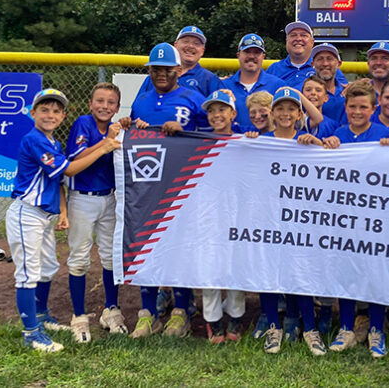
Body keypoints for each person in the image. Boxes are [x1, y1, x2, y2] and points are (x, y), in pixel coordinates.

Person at [5, 88, 120, 352]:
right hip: (27, 213)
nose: (50, 114)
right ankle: (31, 333)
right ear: (32, 113)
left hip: (44, 215)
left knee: (47, 267)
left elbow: (57, 181)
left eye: (56, 110)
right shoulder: (35, 140)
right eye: (44, 109)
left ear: (63, 115)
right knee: (28, 274)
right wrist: (104, 146)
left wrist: (64, 212)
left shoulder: (53, 142)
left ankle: (42, 316)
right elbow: (69, 169)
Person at [120, 42, 206, 339]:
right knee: (146, 242)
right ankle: (148, 314)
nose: (160, 74)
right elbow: (132, 138)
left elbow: (212, 135)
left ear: (178, 70)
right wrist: (135, 127)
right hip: (148, 184)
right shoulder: (142, 100)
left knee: (179, 245)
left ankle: (181, 310)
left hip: (183, 182)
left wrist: (182, 132)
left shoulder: (194, 98)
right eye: (155, 69)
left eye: (167, 69)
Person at [245, 88, 326, 356]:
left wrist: (317, 146)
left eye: (291, 109)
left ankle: (310, 329)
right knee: (268, 273)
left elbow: (330, 167)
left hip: (299, 220)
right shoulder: (261, 141)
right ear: (272, 112)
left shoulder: (307, 141)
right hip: (268, 217)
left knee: (299, 273)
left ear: (299, 114)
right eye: (280, 108)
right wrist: (249, 142)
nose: (285, 114)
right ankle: (273, 327)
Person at [322, 80, 389, 358]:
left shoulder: (382, 133)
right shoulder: (339, 134)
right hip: (344, 216)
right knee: (347, 272)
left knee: (373, 272)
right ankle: (347, 328)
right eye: (352, 106)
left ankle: (376, 329)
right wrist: (327, 146)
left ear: (373, 109)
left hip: (374, 215)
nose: (357, 111)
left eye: (363, 107)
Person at [66, 82, 126, 343]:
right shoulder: (84, 123)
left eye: (110, 102)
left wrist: (119, 135)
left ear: (116, 107)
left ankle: (111, 310)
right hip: (82, 198)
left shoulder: (117, 129)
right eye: (99, 101)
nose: (104, 106)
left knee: (111, 256)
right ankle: (79, 316)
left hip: (109, 198)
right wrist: (106, 142)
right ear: (91, 104)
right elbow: (75, 160)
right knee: (79, 258)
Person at [200, 90, 246, 343]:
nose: (217, 115)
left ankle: (236, 317)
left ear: (233, 113)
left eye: (222, 110)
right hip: (208, 215)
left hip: (237, 213)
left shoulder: (244, 141)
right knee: (210, 266)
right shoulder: (197, 141)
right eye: (212, 110)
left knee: (235, 264)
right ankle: (213, 320)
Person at [136, 25, 224, 97]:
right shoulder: (154, 77)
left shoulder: (210, 79)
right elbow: (139, 107)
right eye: (186, 41)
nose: (190, 46)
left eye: (196, 43)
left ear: (202, 50)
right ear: (176, 45)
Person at [223, 33, 286, 126]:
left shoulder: (278, 85)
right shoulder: (224, 86)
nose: (252, 56)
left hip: (267, 140)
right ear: (238, 55)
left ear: (263, 57)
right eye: (247, 51)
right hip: (233, 140)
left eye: (257, 52)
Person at [266, 21, 348, 88]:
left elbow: (344, 91)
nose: (298, 39)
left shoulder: (323, 67)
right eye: (293, 35)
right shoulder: (274, 69)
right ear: (287, 41)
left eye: (303, 35)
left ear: (312, 42)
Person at [310, 42, 347, 124]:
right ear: (313, 64)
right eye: (320, 59)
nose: (325, 64)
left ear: (339, 64)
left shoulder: (348, 92)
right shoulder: (303, 92)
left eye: (330, 59)